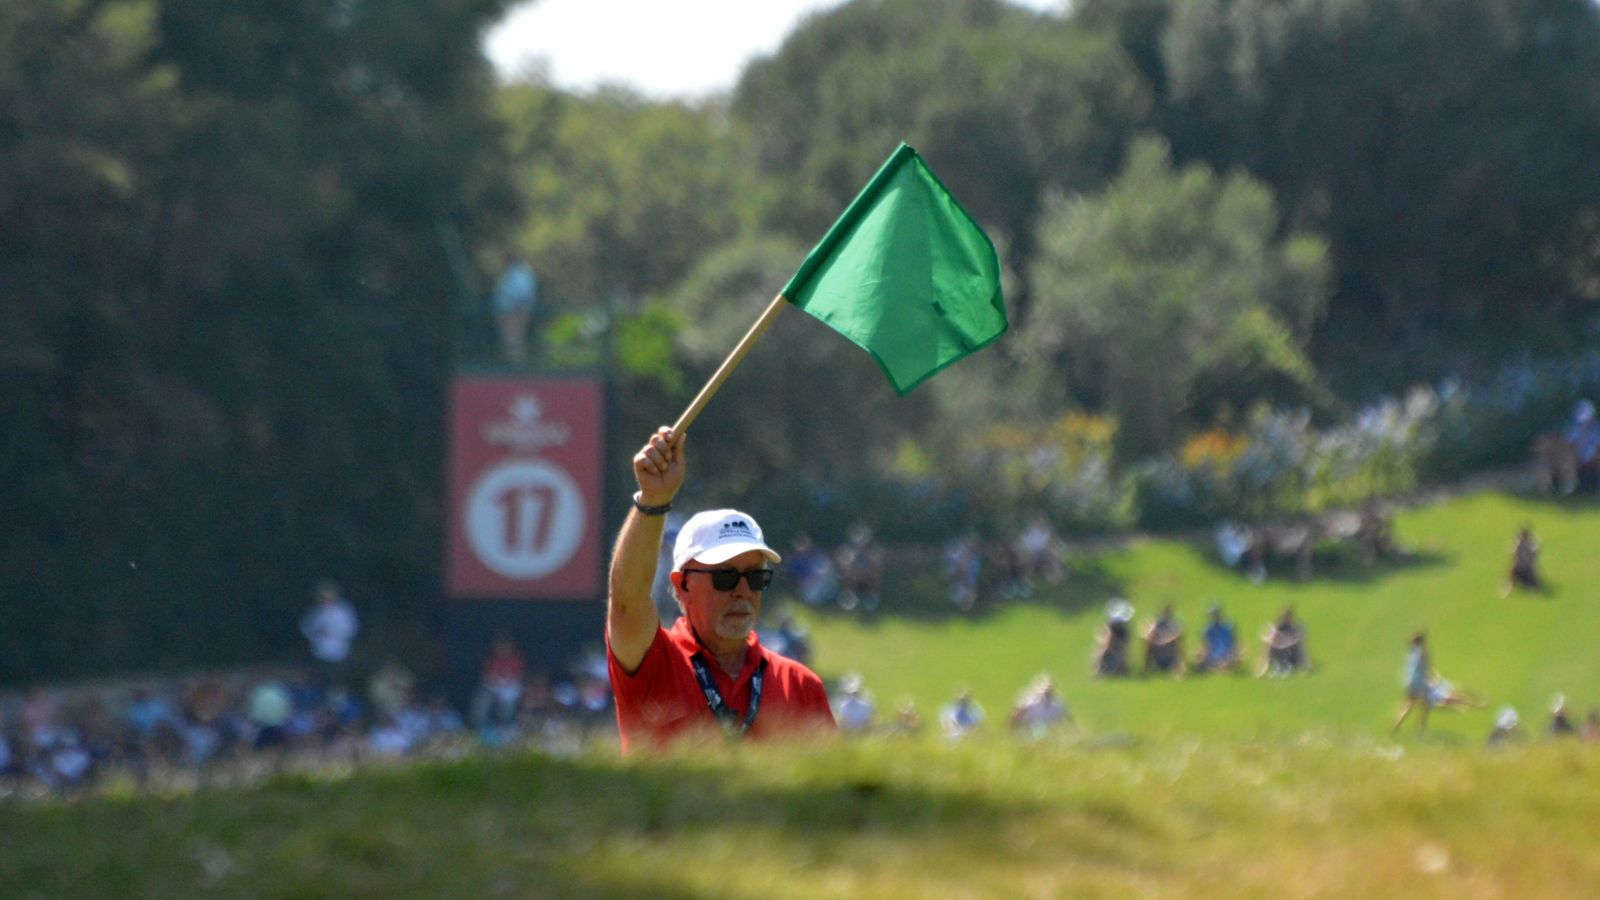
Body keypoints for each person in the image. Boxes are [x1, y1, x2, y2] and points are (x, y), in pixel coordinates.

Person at [605, 426, 835, 751]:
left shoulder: (801, 685)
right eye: (725, 577)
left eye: (755, 577)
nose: (742, 591)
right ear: (682, 584)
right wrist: (653, 500)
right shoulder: (654, 662)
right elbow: (627, 602)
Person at [300, 581, 359, 684]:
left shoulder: (343, 611)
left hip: (339, 652)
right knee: (319, 679)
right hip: (318, 652)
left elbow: (351, 629)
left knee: (337, 679)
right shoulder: (316, 611)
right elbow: (306, 627)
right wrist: (316, 634)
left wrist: (334, 633)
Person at [491, 254, 538, 363]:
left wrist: (517, 309)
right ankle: (513, 359)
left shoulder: (519, 275)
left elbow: (522, 293)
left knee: (513, 337)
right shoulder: (515, 274)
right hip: (510, 310)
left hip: (513, 310)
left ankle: (515, 361)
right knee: (512, 337)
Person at [1258, 607, 1308, 678]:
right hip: (1281, 655)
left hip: (1290, 656)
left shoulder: (1295, 627)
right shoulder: (1278, 627)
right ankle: (1275, 666)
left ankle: (1285, 666)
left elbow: (1299, 645)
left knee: (1295, 647)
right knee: (1271, 646)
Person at [1192, 602, 1240, 673]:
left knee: (1235, 658)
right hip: (1211, 656)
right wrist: (1200, 653)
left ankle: (1217, 669)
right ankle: (1219, 669)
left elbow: (1235, 643)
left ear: (1220, 614)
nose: (1213, 617)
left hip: (1227, 656)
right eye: (1212, 615)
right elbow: (1204, 645)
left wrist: (1233, 654)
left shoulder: (1229, 627)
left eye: (1215, 614)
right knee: (1198, 661)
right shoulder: (1207, 629)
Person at [1093, 599, 1134, 677]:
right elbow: (1104, 644)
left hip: (1116, 654)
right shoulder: (1109, 630)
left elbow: (1124, 648)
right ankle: (1100, 670)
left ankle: (1118, 669)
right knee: (1104, 650)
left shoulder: (1122, 631)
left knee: (1119, 655)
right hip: (1110, 654)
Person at [1142, 604, 1185, 677]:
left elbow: (1178, 636)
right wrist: (1156, 640)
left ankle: (1179, 667)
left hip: (1170, 651)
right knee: (1149, 644)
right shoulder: (1157, 624)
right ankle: (1145, 669)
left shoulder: (1174, 624)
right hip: (1158, 649)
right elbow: (1147, 634)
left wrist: (1164, 641)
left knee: (1177, 643)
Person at [1503, 526, 1543, 596]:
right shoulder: (1520, 545)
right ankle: (1511, 587)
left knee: (1534, 583)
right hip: (1520, 569)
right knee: (1513, 572)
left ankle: (1529, 587)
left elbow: (1535, 553)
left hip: (1526, 569)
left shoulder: (1526, 545)